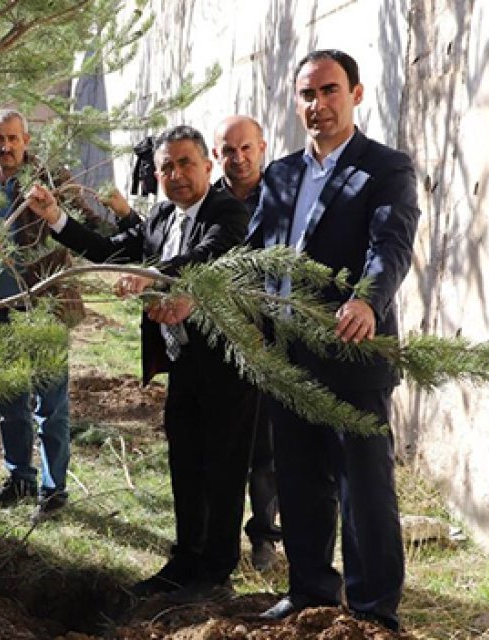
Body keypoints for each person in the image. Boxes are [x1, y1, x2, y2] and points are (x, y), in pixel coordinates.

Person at [27, 125, 259, 603]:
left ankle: (215, 572)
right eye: (167, 167)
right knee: (185, 464)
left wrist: (150, 277)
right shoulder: (159, 220)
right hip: (182, 366)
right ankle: (186, 560)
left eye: (185, 163)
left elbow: (207, 256)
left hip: (227, 369)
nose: (176, 175)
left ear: (207, 165)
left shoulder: (227, 212)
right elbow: (112, 249)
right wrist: (56, 219)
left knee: (222, 469)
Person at [248, 50, 420, 631]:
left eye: (329, 91)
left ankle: (373, 610)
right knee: (298, 481)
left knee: (363, 487)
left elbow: (390, 244)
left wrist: (368, 300)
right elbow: (254, 255)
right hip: (286, 356)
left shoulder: (386, 169)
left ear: (356, 93)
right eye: (306, 95)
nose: (317, 105)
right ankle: (311, 594)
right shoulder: (281, 174)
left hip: (352, 354)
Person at [0, 108, 91, 518]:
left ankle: (53, 488)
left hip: (44, 307)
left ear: (26, 140)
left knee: (50, 402)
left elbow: (85, 225)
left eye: (12, 138)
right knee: (9, 398)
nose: (5, 147)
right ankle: (20, 478)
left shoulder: (50, 178)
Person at [212, 115, 280, 571]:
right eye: (228, 151)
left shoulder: (282, 196)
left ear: (262, 147)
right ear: (216, 154)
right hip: (216, 338)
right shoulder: (207, 199)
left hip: (270, 334)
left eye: (246, 149)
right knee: (219, 445)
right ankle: (216, 541)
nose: (238, 159)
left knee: (264, 449)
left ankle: (263, 538)